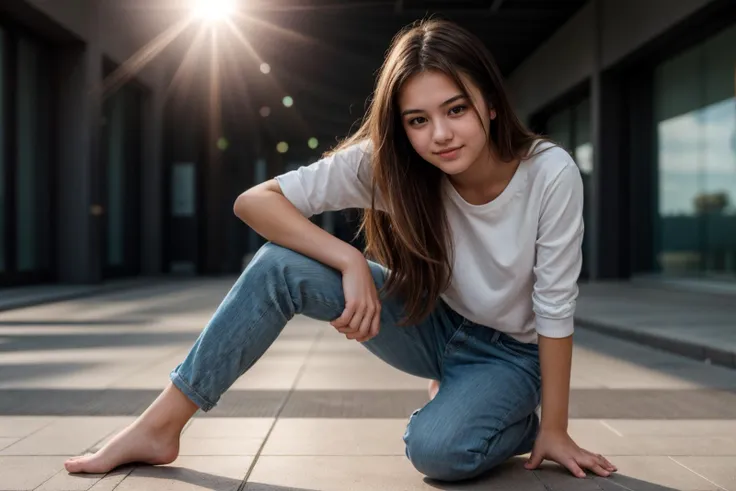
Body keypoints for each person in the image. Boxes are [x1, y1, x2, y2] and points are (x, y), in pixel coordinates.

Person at [65, 18, 617, 482]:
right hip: (432, 322)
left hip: (510, 354)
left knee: (437, 451)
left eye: (456, 110)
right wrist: (349, 259)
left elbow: (554, 306)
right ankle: (161, 426)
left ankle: (516, 419)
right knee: (279, 265)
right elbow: (254, 202)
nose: (441, 135)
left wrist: (554, 429)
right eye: (418, 120)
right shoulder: (391, 164)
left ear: (491, 104)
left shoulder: (550, 174)